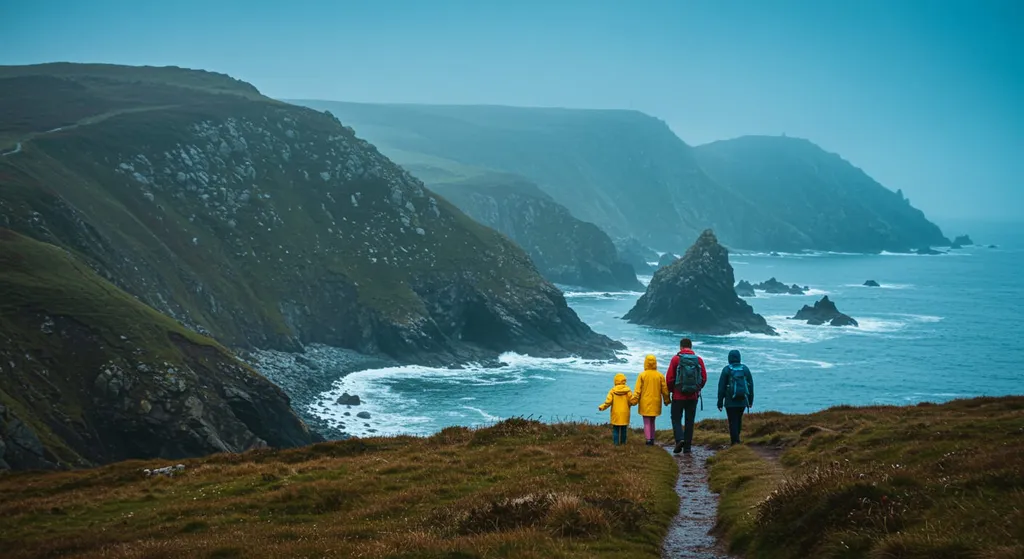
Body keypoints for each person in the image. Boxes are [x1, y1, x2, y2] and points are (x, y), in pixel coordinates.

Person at [665, 338, 707, 454]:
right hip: (693, 396)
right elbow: (703, 378)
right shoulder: (698, 360)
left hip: (678, 396)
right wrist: (697, 389)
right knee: (690, 420)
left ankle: (679, 439)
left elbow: (669, 379)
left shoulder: (675, 359)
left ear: (680, 347)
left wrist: (672, 390)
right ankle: (687, 448)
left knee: (676, 418)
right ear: (691, 347)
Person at [717, 349, 754, 445]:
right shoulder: (745, 369)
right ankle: (737, 439)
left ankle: (735, 442)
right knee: (738, 419)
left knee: (732, 421)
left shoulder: (726, 370)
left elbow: (721, 388)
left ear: (729, 358)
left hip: (730, 401)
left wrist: (720, 402)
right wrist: (750, 401)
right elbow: (750, 386)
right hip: (743, 400)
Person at [633, 354, 671, 445]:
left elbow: (637, 390)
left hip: (645, 402)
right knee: (653, 421)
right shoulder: (660, 375)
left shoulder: (642, 375)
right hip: (656, 402)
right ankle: (652, 439)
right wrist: (667, 400)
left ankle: (648, 440)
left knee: (646, 421)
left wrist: (634, 401)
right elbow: (665, 390)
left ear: (645, 363)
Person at [598, 373, 635, 445]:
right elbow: (632, 402)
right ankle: (623, 444)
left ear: (615, 381)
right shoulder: (628, 391)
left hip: (615, 414)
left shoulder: (612, 391)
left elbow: (608, 402)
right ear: (624, 381)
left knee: (616, 429)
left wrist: (602, 407)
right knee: (624, 430)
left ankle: (616, 444)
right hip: (625, 413)